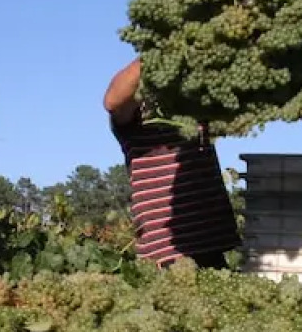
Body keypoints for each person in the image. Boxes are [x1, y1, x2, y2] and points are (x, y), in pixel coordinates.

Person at [103, 57, 241, 270]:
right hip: (167, 254)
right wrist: (159, 51)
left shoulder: (193, 111)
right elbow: (112, 100)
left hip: (212, 247)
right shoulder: (134, 120)